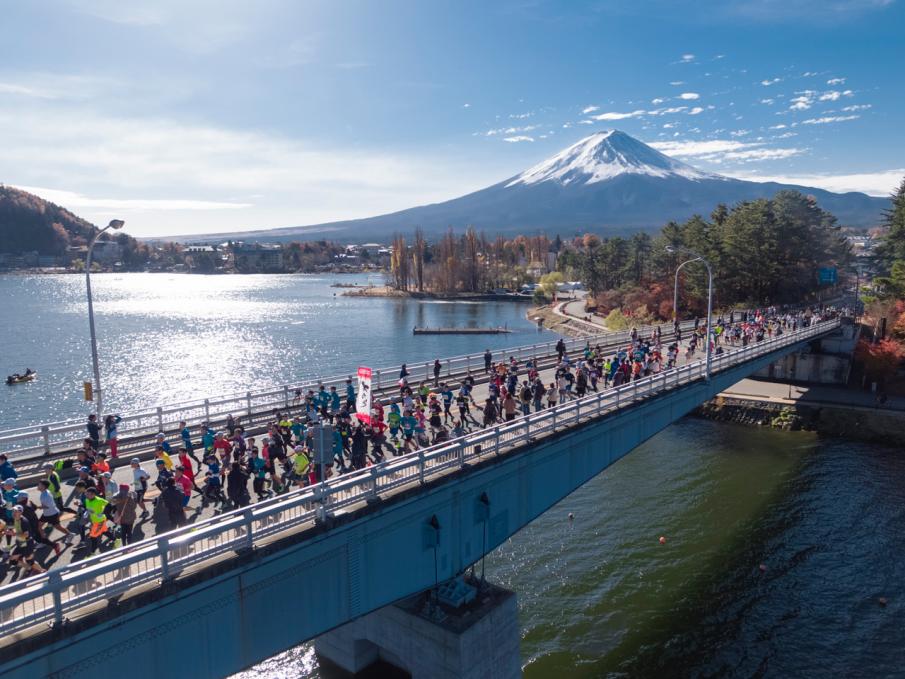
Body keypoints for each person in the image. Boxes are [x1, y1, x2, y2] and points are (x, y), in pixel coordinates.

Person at [7, 505, 44, 574]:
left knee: (29, 561)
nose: (13, 513)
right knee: (13, 561)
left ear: (20, 513)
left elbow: (26, 535)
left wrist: (14, 534)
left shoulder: (24, 522)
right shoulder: (14, 519)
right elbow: (15, 528)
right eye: (13, 511)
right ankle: (30, 569)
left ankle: (43, 572)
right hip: (20, 543)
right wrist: (11, 531)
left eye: (16, 511)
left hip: (27, 544)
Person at [37, 479, 71, 544]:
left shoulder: (46, 495)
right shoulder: (44, 492)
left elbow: (48, 506)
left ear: (43, 487)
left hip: (52, 514)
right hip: (47, 514)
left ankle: (70, 534)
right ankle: (44, 540)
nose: (37, 486)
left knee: (58, 527)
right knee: (39, 526)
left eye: (39, 485)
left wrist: (36, 507)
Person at [82, 487, 109, 554]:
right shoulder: (87, 500)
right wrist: (79, 505)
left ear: (93, 494)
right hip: (94, 521)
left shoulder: (99, 500)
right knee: (104, 531)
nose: (86, 495)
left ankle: (92, 553)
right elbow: (87, 508)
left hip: (100, 521)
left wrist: (102, 511)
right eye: (86, 494)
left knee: (93, 536)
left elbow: (108, 504)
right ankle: (116, 540)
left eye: (88, 494)